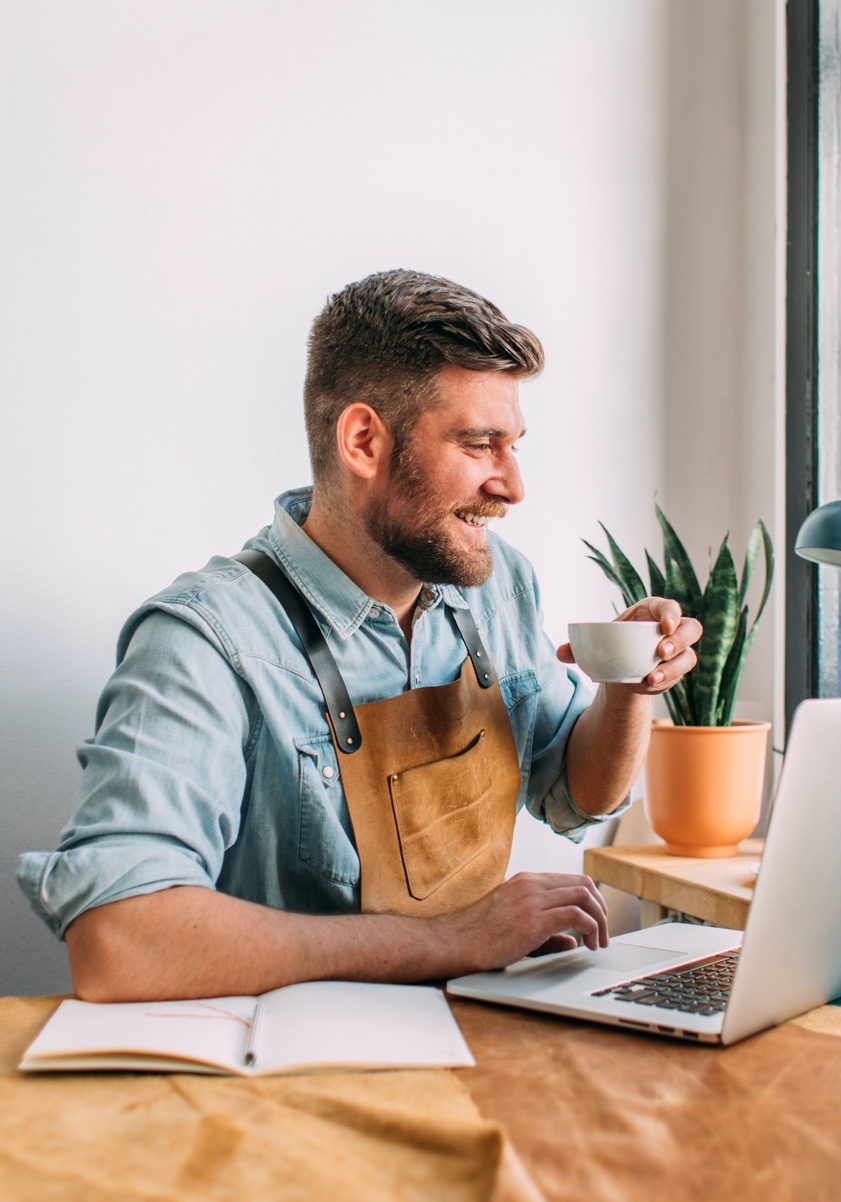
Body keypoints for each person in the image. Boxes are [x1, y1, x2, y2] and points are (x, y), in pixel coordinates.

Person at [18, 269, 701, 1002]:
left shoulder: (499, 583)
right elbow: (118, 942)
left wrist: (629, 686)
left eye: (514, 446)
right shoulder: (204, 641)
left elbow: (574, 791)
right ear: (365, 441)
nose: (513, 486)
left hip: (478, 1042)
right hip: (285, 1083)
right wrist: (453, 940)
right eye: (479, 445)